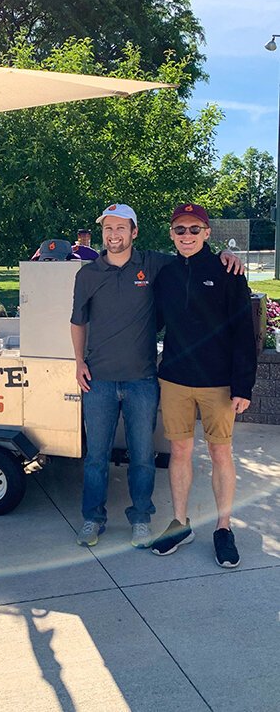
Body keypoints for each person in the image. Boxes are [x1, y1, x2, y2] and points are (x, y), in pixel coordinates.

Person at [70, 203, 243, 549]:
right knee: (99, 457)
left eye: (122, 228)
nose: (114, 235)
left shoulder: (156, 264)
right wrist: (79, 362)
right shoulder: (91, 274)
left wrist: (228, 254)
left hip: (149, 381)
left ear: (135, 232)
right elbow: (78, 322)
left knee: (148, 456)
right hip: (113, 380)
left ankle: (164, 522)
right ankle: (98, 520)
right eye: (108, 229)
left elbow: (197, 262)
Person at [150, 204, 257, 567]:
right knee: (179, 453)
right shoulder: (165, 274)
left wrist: (244, 385)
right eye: (180, 230)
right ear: (171, 233)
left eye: (195, 230)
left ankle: (224, 528)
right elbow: (153, 322)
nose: (187, 236)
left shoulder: (227, 271)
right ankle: (180, 524)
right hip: (176, 378)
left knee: (220, 454)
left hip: (219, 383)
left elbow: (245, 331)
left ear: (207, 233)